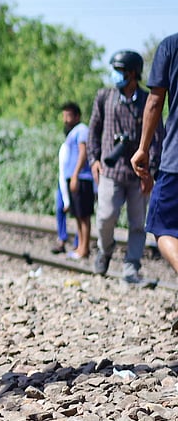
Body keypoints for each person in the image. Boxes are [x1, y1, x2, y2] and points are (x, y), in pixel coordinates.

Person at [89, 50, 156, 283]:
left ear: (132, 74)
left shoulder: (149, 101)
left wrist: (152, 172)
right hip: (110, 171)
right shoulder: (104, 97)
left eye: (119, 71)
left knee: (138, 224)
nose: (115, 76)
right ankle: (105, 250)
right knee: (106, 217)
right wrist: (94, 159)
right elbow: (93, 131)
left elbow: (157, 137)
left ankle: (131, 266)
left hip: (139, 175)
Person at [133, 32, 178, 276]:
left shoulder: (171, 46)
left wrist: (143, 148)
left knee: (164, 227)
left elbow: (154, 102)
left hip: (176, 160)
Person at [58, 102, 94, 259]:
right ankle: (80, 247)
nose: (66, 119)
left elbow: (83, 152)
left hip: (81, 178)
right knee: (78, 215)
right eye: (64, 116)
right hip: (74, 177)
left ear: (77, 116)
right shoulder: (72, 132)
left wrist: (75, 175)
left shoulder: (81, 130)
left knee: (84, 215)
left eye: (69, 115)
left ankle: (84, 248)